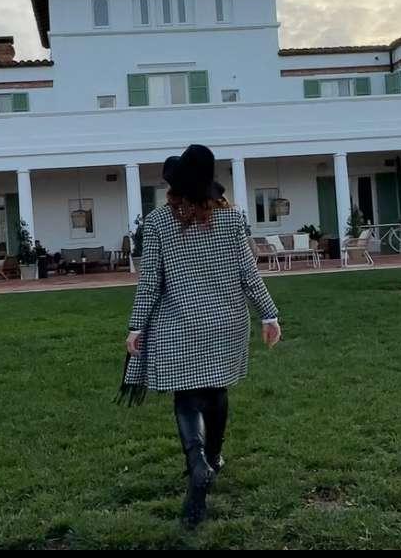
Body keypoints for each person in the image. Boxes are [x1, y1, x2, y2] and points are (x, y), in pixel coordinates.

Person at [118, 144, 281, 528]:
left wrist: (136, 326)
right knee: (216, 390)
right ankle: (213, 457)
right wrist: (269, 314)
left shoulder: (158, 222)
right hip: (227, 322)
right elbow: (249, 274)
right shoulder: (232, 218)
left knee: (187, 398)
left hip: (179, 323)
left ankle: (197, 463)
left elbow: (150, 282)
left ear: (173, 186)